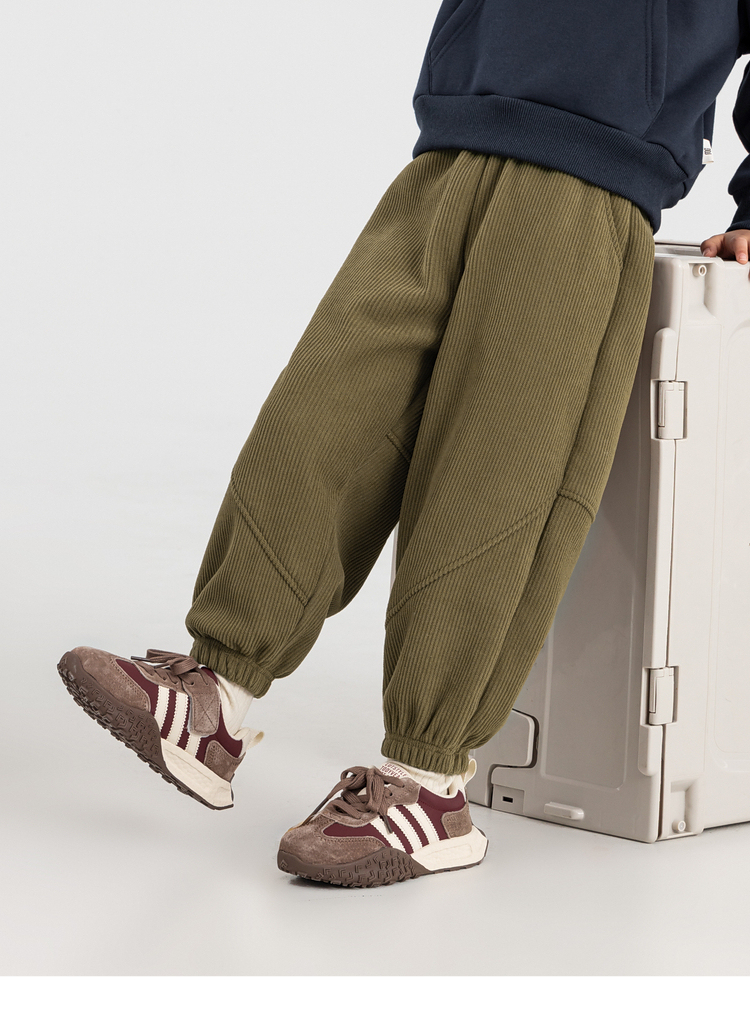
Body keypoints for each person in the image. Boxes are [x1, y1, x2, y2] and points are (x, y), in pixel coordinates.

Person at [57, 1, 750, 888]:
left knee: (493, 484)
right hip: (450, 148)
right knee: (321, 413)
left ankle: (427, 784)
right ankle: (214, 696)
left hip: (591, 179)